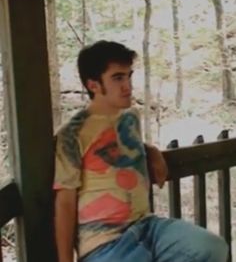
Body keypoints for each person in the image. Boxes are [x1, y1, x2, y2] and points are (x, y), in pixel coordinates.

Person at [53, 40, 228, 262]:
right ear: (93, 85)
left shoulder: (130, 118)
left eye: (129, 76)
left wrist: (151, 150)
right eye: (118, 78)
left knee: (211, 248)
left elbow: (120, 146)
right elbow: (65, 202)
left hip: (147, 227)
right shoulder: (73, 133)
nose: (128, 85)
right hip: (105, 244)